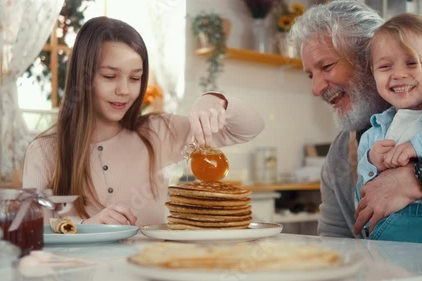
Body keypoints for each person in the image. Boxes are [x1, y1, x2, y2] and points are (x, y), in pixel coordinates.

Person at [22, 16, 265, 227]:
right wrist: (86, 227)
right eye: (110, 76)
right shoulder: (45, 151)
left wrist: (214, 100)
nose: (124, 90)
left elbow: (251, 127)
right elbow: (35, 238)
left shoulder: (158, 132)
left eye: (135, 78)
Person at [287, 0, 422, 238]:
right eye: (311, 75)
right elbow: (335, 242)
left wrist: (419, 179)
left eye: (326, 66)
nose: (316, 88)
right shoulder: (341, 152)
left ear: (369, 57)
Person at [355, 13, 422, 242]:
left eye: (412, 62)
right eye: (384, 66)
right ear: (373, 74)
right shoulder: (372, 135)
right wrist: (371, 164)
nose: (399, 74)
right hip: (386, 243)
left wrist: (418, 145)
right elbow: (363, 198)